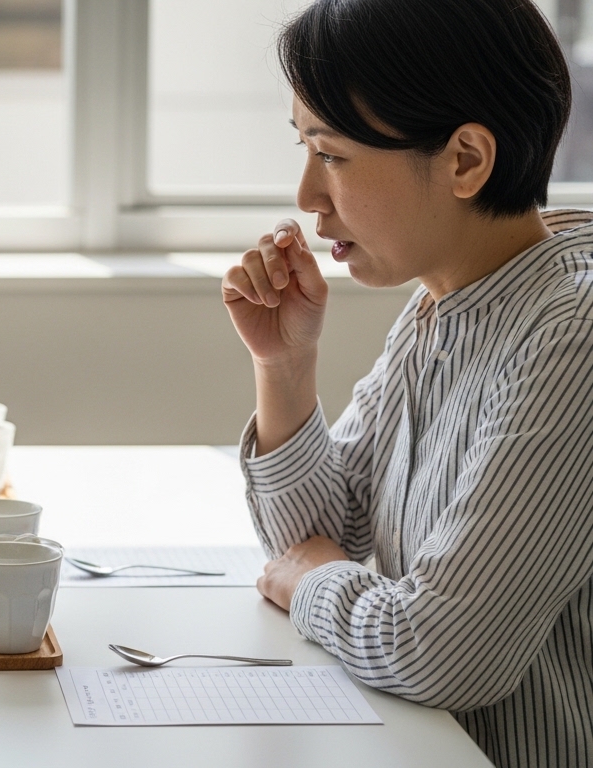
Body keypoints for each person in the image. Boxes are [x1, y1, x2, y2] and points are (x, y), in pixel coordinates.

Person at [224, 0, 593, 765]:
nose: (306, 195)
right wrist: (283, 365)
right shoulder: (447, 301)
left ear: (465, 161)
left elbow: (443, 653)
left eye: (332, 155)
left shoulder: (573, 332)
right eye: (304, 147)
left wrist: (317, 584)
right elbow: (319, 536)